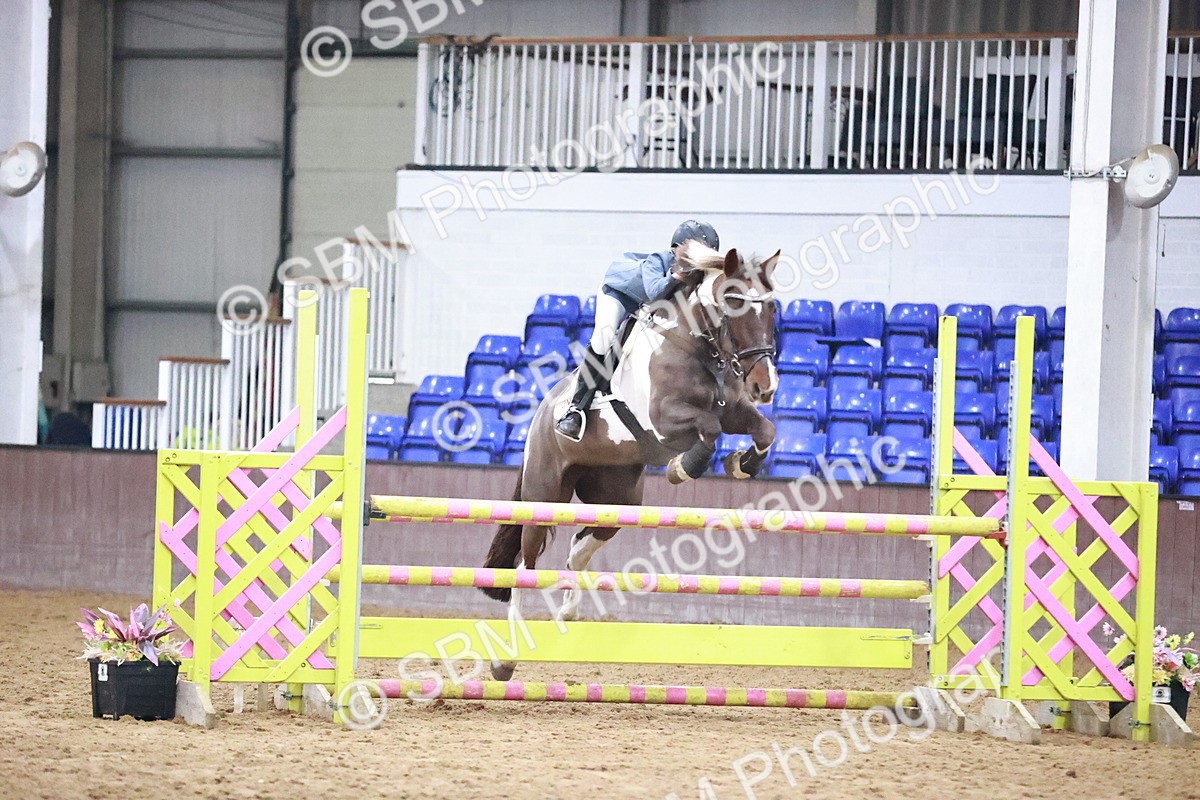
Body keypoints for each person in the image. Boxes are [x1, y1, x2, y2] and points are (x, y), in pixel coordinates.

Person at [554, 219, 720, 441]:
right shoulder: (658, 261)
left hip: (648, 305)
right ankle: (575, 410)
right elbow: (654, 292)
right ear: (678, 249)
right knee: (605, 337)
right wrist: (678, 275)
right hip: (619, 294)